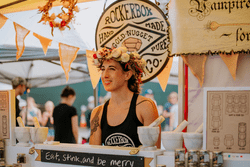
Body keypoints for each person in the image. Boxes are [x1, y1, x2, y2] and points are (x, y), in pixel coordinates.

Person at [89, 46, 161, 148]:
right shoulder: (97, 113)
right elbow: (94, 155)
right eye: (103, 69)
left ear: (127, 75)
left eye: (112, 69)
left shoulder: (145, 106)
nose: (105, 75)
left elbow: (153, 156)